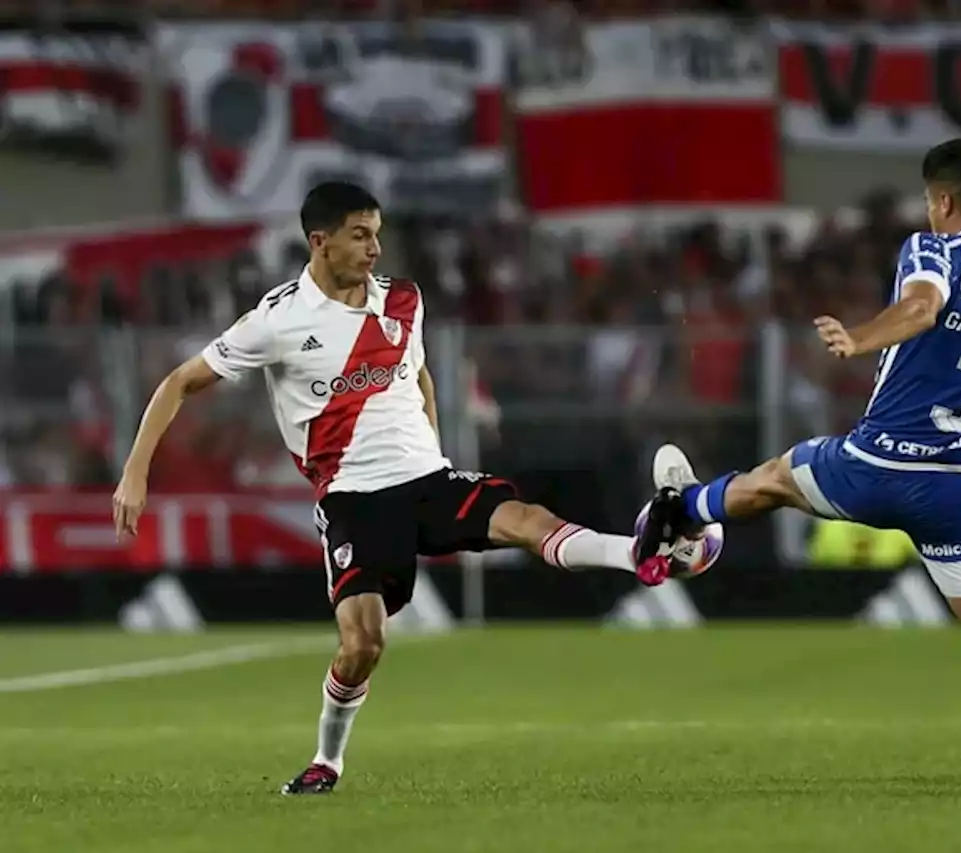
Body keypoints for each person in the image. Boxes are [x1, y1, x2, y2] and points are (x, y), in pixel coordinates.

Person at [111, 182, 672, 796]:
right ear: (319, 242)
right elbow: (179, 383)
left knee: (524, 518)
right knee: (363, 643)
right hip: (353, 499)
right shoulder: (278, 319)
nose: (375, 247)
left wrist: (431, 445)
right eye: (360, 234)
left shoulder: (404, 300)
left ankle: (637, 551)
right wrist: (136, 472)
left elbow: (419, 371)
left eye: (377, 233)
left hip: (425, 478)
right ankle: (328, 760)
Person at [633, 139, 961, 795]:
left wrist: (859, 337)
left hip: (880, 465)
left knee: (777, 477)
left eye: (933, 202)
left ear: (943, 200)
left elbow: (924, 305)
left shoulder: (931, 249)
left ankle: (682, 514)